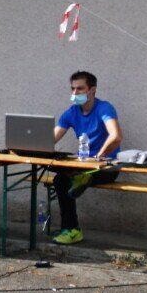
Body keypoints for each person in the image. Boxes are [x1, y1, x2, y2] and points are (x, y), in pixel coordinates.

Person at [50, 69, 122, 246]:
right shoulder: (72, 112)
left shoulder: (104, 108)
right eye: (73, 89)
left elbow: (116, 136)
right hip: (83, 165)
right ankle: (72, 230)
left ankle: (83, 179)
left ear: (92, 90)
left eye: (80, 88)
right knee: (60, 179)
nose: (75, 93)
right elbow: (51, 139)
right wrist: (30, 145)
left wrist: (99, 156)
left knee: (66, 179)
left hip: (106, 167)